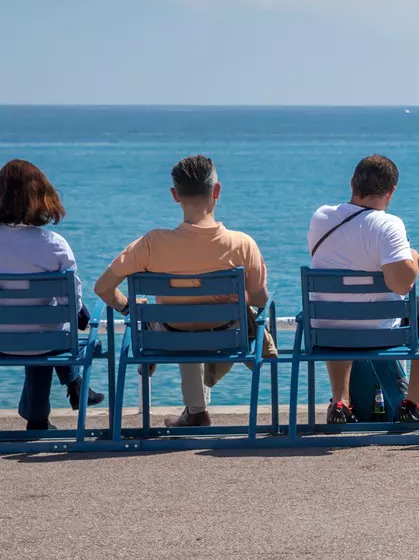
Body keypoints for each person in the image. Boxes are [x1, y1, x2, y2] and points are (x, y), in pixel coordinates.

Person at [93, 154, 269, 428]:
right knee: (221, 317)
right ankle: (197, 410)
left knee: (178, 321)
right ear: (217, 191)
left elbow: (103, 288)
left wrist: (131, 309)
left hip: (170, 336)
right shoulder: (242, 244)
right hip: (227, 335)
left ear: (175, 195)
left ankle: (197, 412)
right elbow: (259, 300)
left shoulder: (151, 243)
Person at [307, 154, 419, 424]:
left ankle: (341, 402)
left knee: (339, 309)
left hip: (328, 330)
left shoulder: (321, 217)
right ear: (391, 192)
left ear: (352, 182)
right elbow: (401, 283)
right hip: (379, 334)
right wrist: (412, 257)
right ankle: (412, 403)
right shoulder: (388, 224)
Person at [1, 159, 101, 429]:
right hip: (46, 340)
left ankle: (40, 415)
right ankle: (71, 388)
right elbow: (73, 302)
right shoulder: (54, 245)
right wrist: (81, 313)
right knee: (52, 323)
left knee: (41, 324)